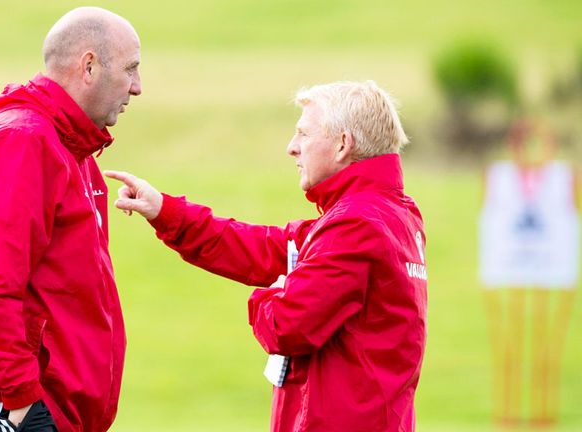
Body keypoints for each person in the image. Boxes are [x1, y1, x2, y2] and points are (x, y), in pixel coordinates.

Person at [105, 81, 427, 431]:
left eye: (304, 133)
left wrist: (270, 294)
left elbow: (286, 326)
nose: (292, 147)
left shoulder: (354, 224)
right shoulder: (390, 214)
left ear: (342, 145)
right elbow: (260, 247)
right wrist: (166, 212)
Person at [0, 7, 141, 432]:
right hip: (6, 407)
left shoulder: (73, 151)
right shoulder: (21, 142)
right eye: (130, 69)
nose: (137, 87)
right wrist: (23, 400)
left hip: (48, 407)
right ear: (89, 66)